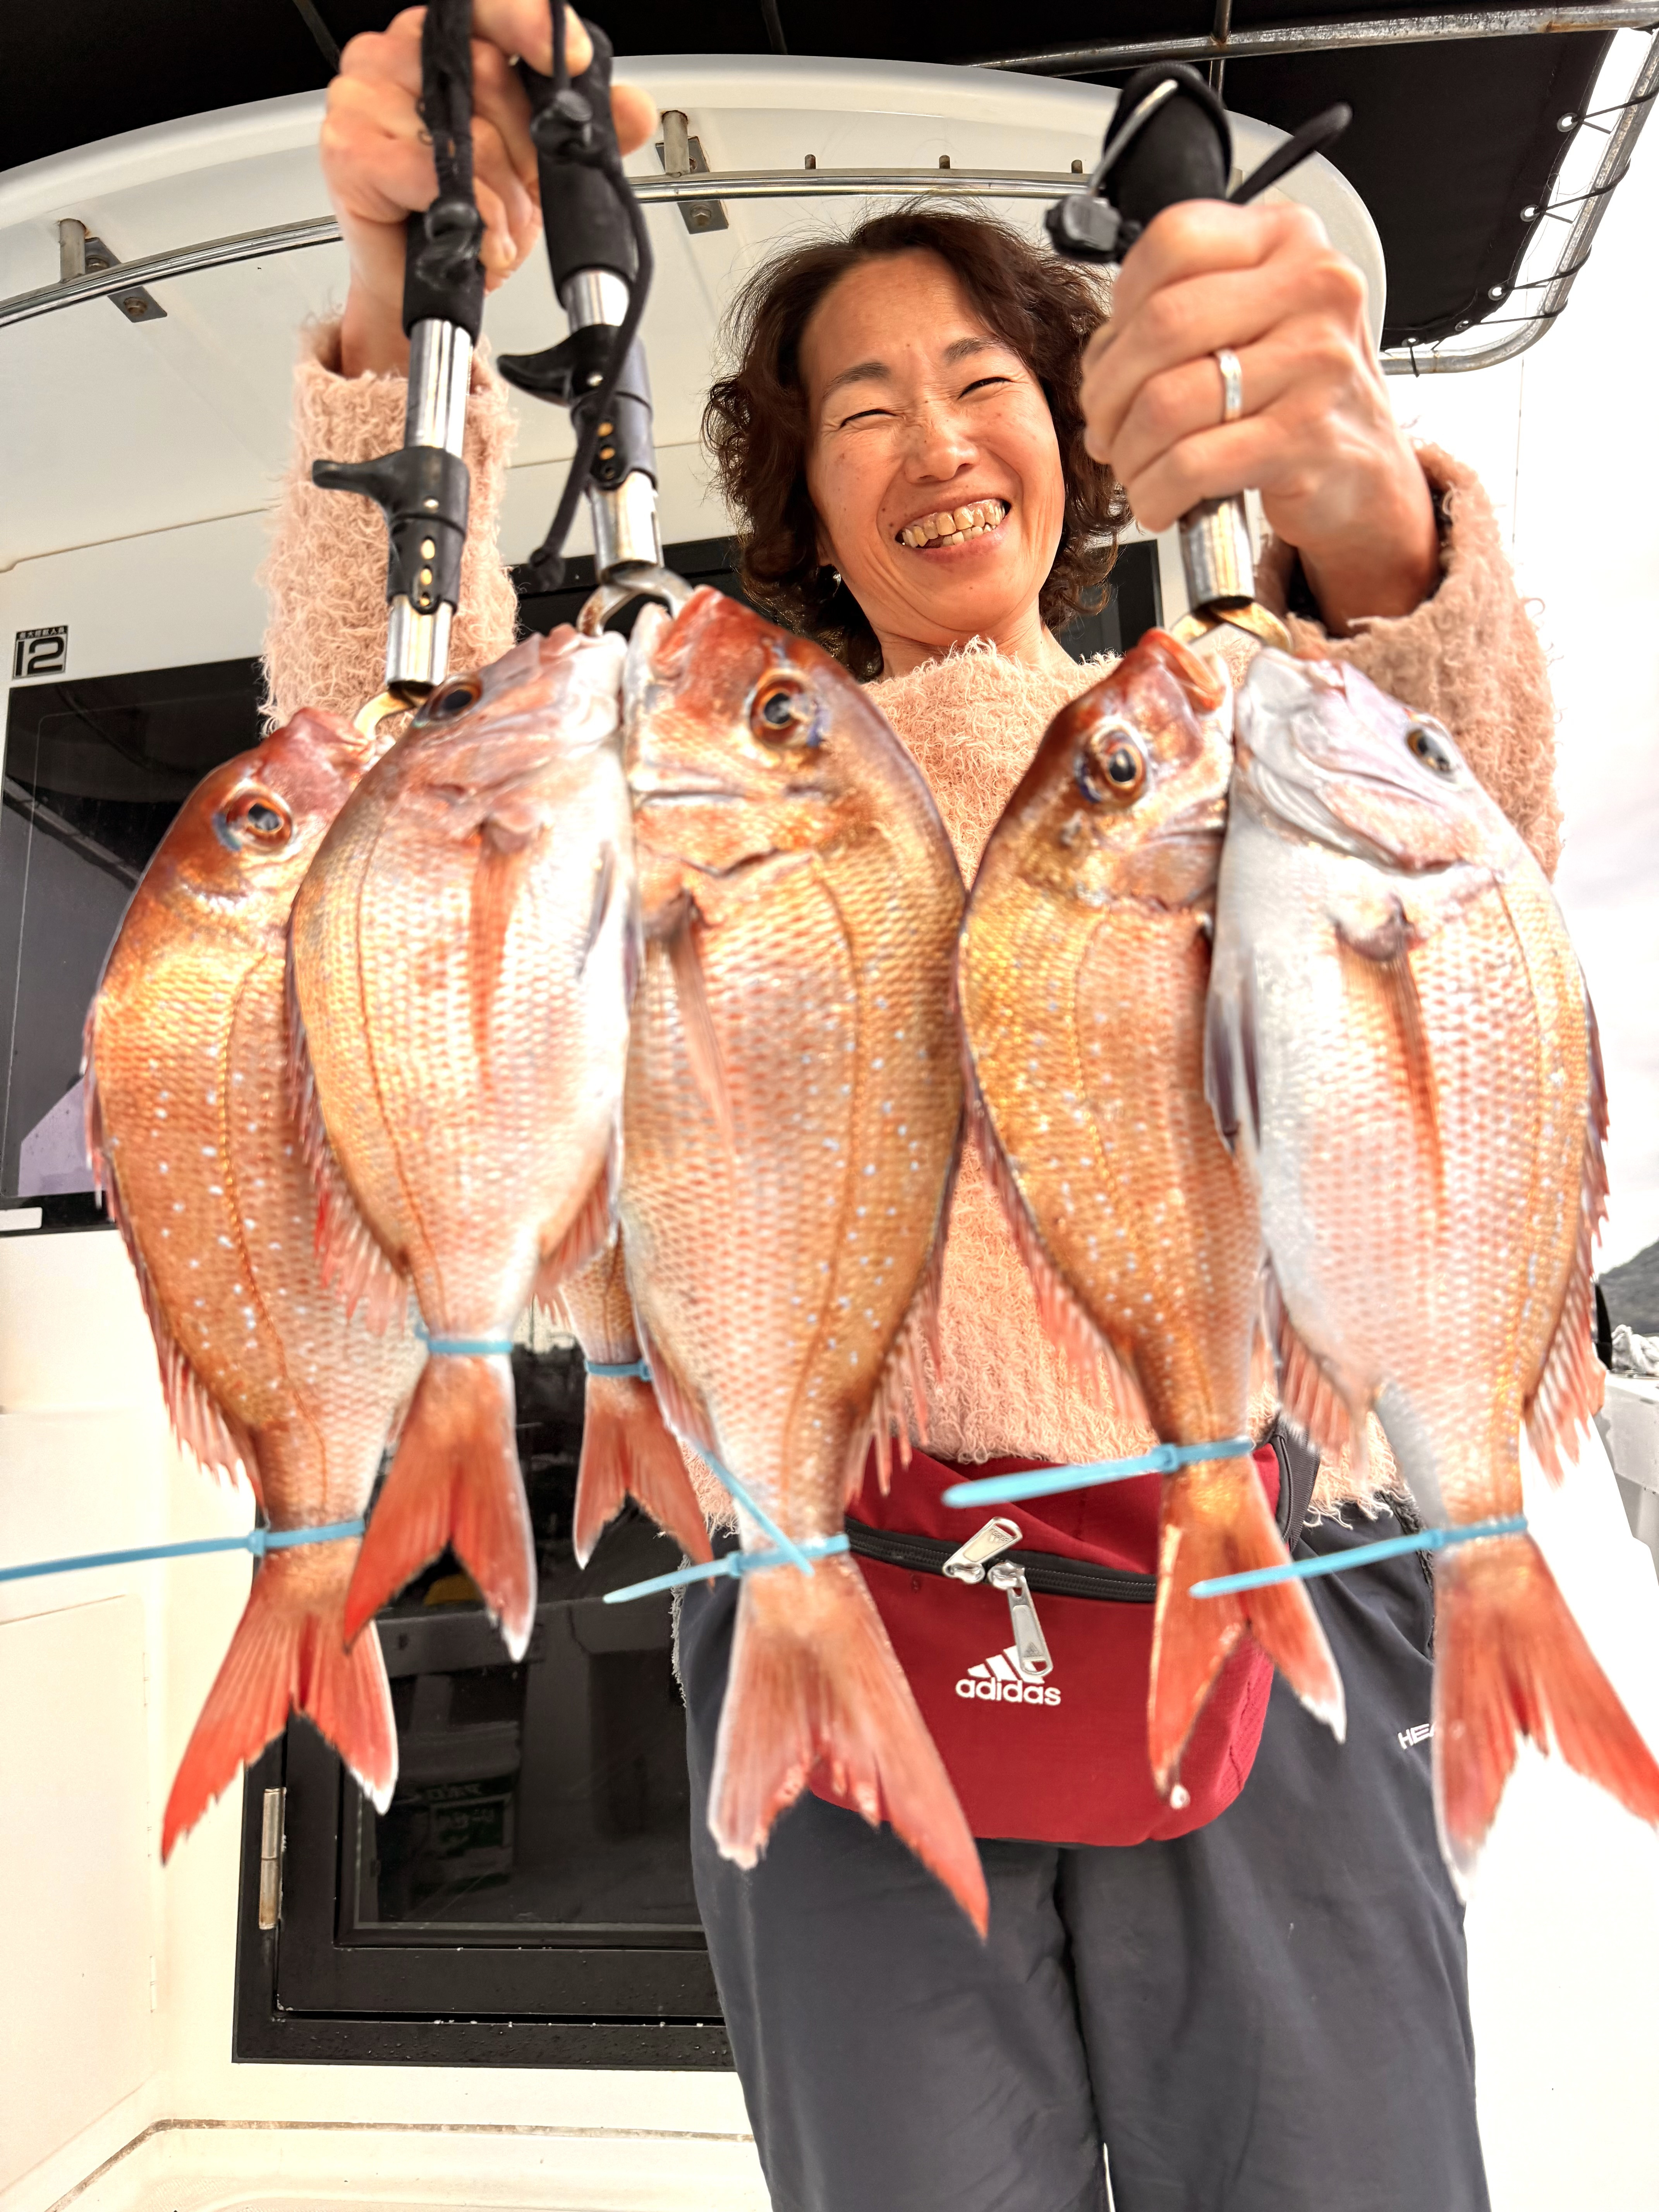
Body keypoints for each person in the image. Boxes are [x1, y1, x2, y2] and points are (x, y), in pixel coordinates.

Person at [269, 10, 1561, 2206]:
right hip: (826, 1577)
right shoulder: (697, 774)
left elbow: (1464, 881)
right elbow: (393, 812)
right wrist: (405, 311)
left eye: (984, 382)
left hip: (1249, 1546)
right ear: (804, 495)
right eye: (864, 409)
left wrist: (1361, 514)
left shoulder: (1209, 720)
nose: (938, 440)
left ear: (1073, 431)